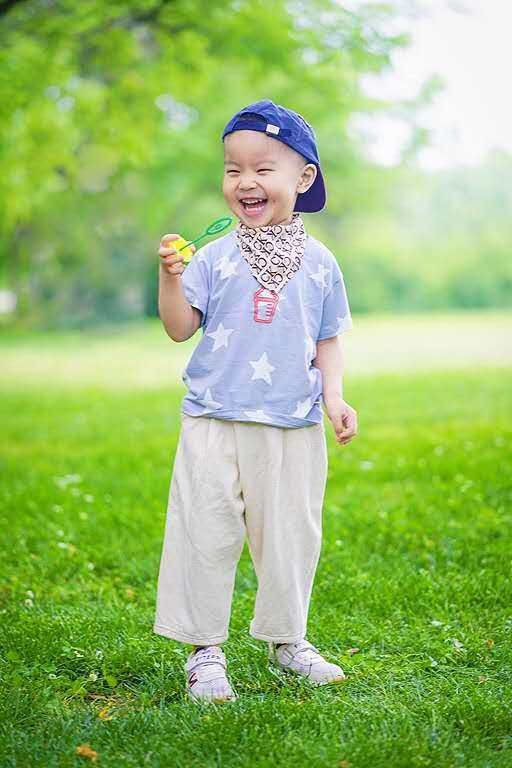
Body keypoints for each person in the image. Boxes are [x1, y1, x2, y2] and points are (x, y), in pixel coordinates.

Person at [153, 99, 358, 703]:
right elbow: (179, 327)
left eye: (263, 169)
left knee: (290, 534)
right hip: (213, 417)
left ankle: (287, 639)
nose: (245, 181)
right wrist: (170, 277)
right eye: (233, 169)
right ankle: (204, 651)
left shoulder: (320, 263)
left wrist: (335, 396)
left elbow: (327, 338)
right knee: (204, 530)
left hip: (292, 421)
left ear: (303, 178)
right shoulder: (214, 256)